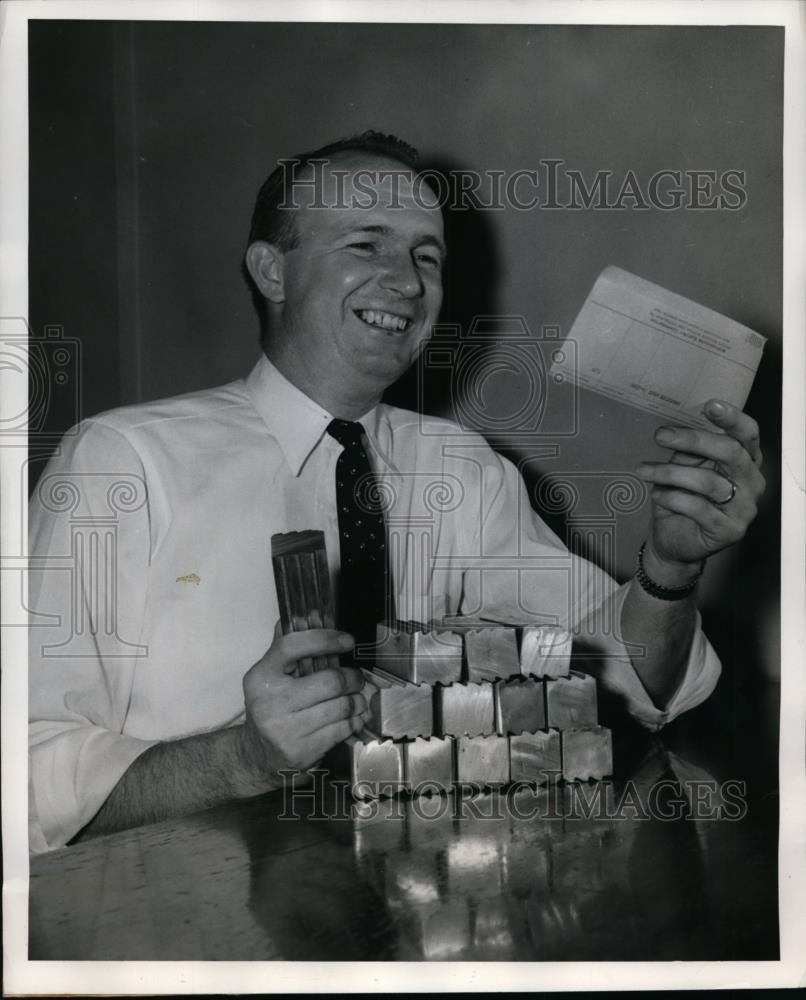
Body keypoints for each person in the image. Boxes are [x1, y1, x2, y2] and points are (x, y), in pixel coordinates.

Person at [28, 132, 765, 852]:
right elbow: (27, 780)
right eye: (364, 243)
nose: (409, 282)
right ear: (272, 271)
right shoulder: (121, 464)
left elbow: (636, 680)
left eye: (426, 255)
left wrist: (672, 564)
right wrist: (243, 757)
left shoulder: (462, 471)